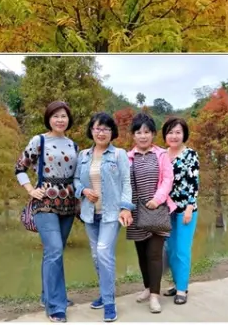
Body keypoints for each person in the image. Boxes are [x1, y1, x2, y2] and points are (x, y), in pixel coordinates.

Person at [15, 101, 80, 323]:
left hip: (68, 204)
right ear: (49, 119)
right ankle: (55, 306)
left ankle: (48, 296)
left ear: (68, 119)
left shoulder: (74, 145)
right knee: (54, 250)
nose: (60, 119)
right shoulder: (39, 140)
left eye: (64, 116)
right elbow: (19, 168)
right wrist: (30, 190)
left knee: (54, 252)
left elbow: (77, 176)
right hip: (45, 202)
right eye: (56, 116)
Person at [73, 113, 135, 323]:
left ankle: (109, 303)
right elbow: (74, 180)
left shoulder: (119, 154)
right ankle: (104, 291)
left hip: (111, 213)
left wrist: (126, 208)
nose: (101, 132)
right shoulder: (82, 155)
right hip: (90, 214)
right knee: (95, 256)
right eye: (97, 128)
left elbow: (127, 183)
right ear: (91, 130)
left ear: (112, 132)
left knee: (103, 252)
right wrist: (82, 190)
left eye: (105, 129)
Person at [126, 113, 176, 314]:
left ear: (153, 134)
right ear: (133, 135)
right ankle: (147, 287)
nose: (143, 136)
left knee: (155, 254)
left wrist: (157, 199)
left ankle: (155, 296)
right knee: (141, 254)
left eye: (147, 132)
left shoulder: (161, 155)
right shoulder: (128, 157)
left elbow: (168, 179)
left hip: (157, 208)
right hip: (136, 211)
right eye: (138, 132)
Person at [162, 116, 200, 305]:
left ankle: (183, 289)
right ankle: (177, 284)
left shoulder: (191, 154)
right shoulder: (161, 154)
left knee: (182, 250)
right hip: (167, 209)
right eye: (170, 132)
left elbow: (194, 183)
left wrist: (189, 207)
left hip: (186, 210)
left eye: (178, 132)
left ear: (184, 134)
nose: (174, 136)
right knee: (170, 249)